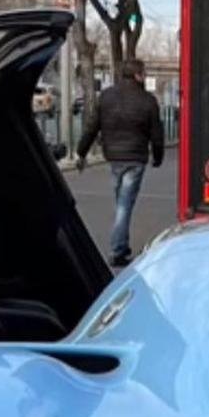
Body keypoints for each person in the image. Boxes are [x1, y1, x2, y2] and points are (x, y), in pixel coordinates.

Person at [76, 59, 165, 267]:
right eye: (143, 72)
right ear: (137, 75)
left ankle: (122, 246)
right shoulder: (148, 100)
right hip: (135, 158)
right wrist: (158, 156)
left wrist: (81, 152)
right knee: (124, 205)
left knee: (121, 202)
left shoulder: (106, 96)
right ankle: (117, 250)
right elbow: (157, 133)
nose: (144, 75)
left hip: (114, 157)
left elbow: (92, 127)